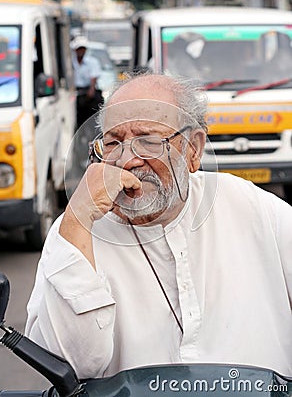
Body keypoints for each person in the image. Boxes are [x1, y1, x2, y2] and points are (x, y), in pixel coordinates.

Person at [25, 73, 292, 380]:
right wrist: (78, 217)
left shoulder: (253, 209)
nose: (128, 160)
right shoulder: (76, 231)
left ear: (193, 150)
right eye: (113, 143)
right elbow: (70, 367)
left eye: (149, 141)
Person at [71, 35, 104, 128]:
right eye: (79, 49)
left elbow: (93, 78)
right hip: (76, 93)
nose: (81, 51)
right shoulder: (71, 62)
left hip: (88, 92)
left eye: (83, 49)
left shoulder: (92, 62)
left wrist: (91, 91)